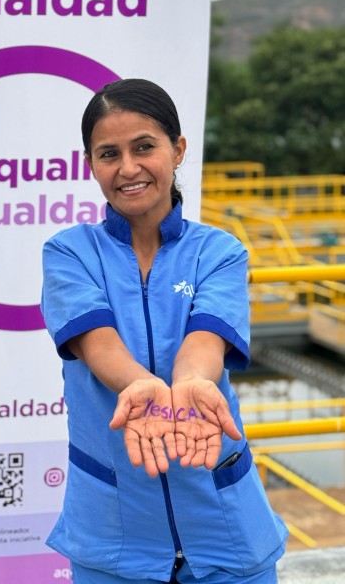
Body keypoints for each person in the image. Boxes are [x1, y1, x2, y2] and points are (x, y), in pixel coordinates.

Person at [40, 79, 287, 584]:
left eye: (144, 147)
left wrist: (191, 382)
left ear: (177, 150)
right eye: (109, 154)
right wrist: (139, 384)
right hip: (113, 534)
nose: (128, 168)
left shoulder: (219, 252)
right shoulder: (68, 252)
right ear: (91, 165)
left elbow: (206, 340)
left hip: (225, 527)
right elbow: (96, 342)